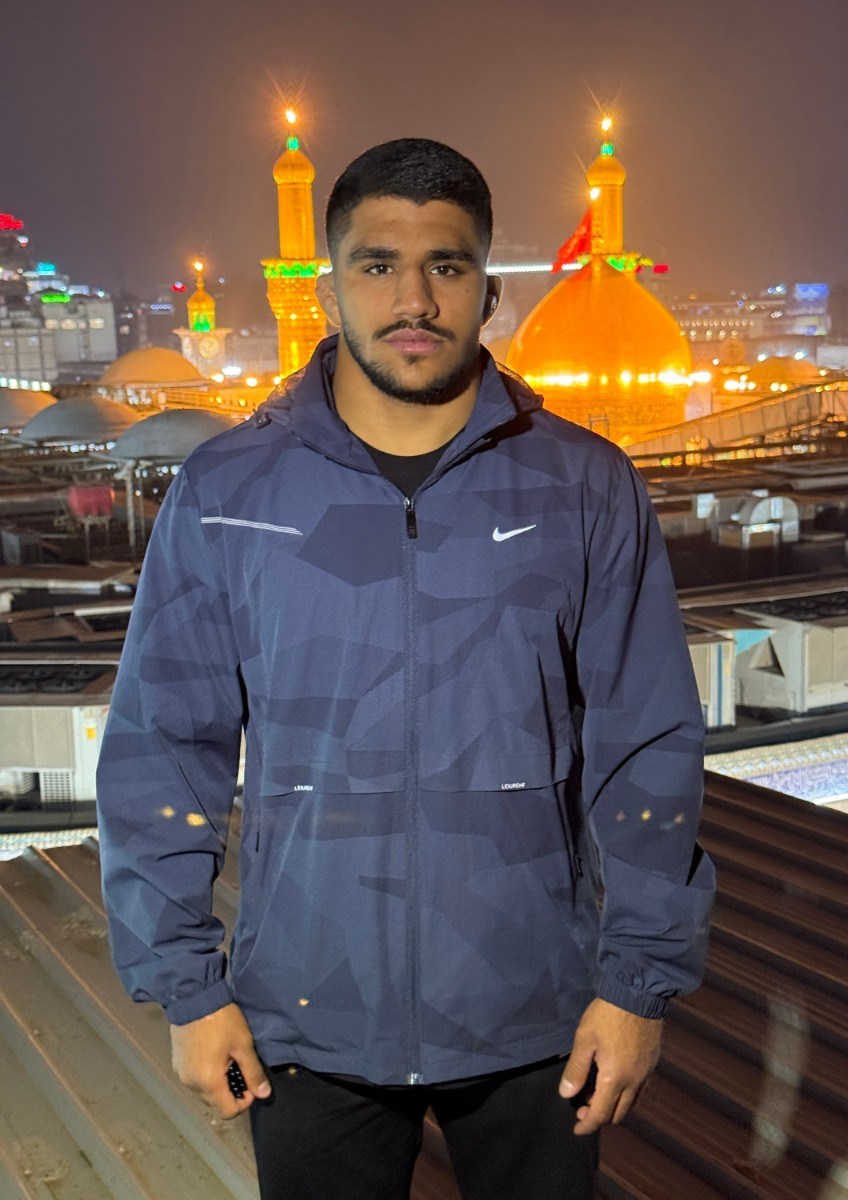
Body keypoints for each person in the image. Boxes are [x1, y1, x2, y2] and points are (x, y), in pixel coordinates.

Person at [97, 138, 715, 1200]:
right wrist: (188, 990)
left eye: (448, 265)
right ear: (327, 285)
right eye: (378, 264)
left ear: (489, 289)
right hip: (309, 1017)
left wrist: (638, 986)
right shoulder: (231, 492)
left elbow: (646, 744)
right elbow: (164, 750)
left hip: (539, 1017)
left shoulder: (580, 487)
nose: (414, 299)